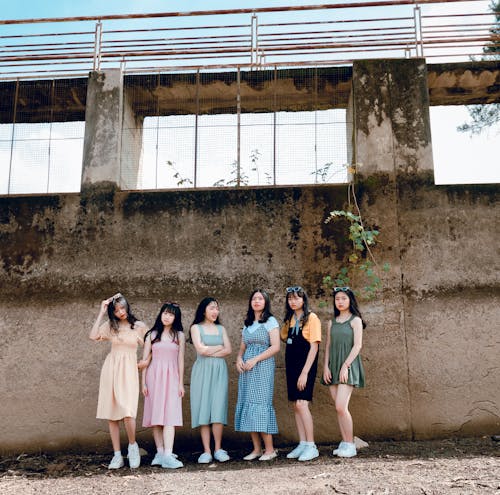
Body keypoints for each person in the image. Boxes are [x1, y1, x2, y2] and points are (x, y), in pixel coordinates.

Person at [89, 293, 147, 469]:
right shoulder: (110, 326)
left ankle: (132, 446)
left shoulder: (139, 327)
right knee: (112, 413)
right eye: (116, 310)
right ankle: (116, 455)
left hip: (129, 369)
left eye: (122, 308)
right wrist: (101, 311)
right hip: (111, 369)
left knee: (128, 412)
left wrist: (145, 362)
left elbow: (152, 346)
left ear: (127, 307)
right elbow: (93, 336)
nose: (120, 312)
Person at [234, 289, 280, 461]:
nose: (257, 301)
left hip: (263, 367)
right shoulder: (247, 323)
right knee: (249, 404)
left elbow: (275, 347)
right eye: (254, 298)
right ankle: (256, 449)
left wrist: (255, 359)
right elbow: (242, 348)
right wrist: (239, 359)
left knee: (260, 404)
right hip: (247, 370)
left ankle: (270, 450)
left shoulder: (270, 321)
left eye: (260, 298)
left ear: (266, 302)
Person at [140, 301, 185, 469]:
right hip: (154, 377)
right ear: (161, 314)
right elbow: (145, 361)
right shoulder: (152, 334)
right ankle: (159, 453)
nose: (167, 316)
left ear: (176, 317)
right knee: (156, 416)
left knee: (170, 416)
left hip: (172, 377)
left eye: (171, 314)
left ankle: (168, 454)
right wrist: (143, 382)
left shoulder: (178, 335)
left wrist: (181, 383)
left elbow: (180, 361)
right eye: (165, 313)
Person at [322, 287, 366, 458]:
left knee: (341, 406)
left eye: (343, 298)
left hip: (348, 367)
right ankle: (345, 442)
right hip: (333, 368)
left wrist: (345, 365)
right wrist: (326, 366)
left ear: (350, 301)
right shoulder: (331, 322)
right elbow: (327, 346)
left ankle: (350, 445)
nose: (340, 301)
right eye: (337, 299)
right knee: (338, 408)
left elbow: (358, 345)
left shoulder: (356, 321)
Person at [281, 286, 321, 462]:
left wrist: (305, 372)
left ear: (303, 300)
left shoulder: (312, 318)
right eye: (290, 298)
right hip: (292, 365)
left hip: (306, 366)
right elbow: (284, 337)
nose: (293, 301)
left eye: (296, 298)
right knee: (296, 405)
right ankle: (303, 443)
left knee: (303, 404)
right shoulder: (289, 318)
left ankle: (311, 445)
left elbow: (314, 346)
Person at [189, 297, 232, 463]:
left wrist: (210, 350)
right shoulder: (195, 328)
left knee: (218, 409)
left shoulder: (221, 328)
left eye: (217, 308)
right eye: (212, 308)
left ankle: (218, 449)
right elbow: (200, 349)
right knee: (203, 408)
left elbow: (228, 350)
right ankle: (206, 451)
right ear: (204, 310)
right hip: (202, 371)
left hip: (220, 371)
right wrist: (218, 348)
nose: (215, 311)